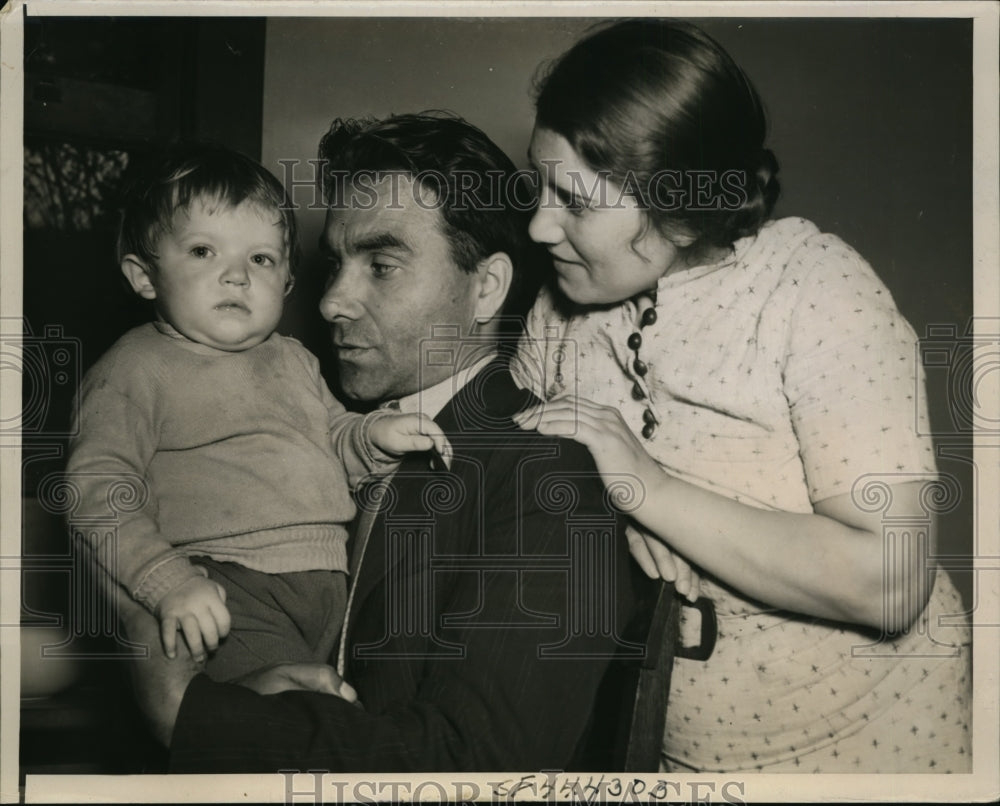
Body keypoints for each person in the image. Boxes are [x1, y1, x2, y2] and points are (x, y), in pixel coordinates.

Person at [117, 113, 654, 772]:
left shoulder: (546, 477)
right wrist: (258, 704)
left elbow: (480, 768)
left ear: (485, 288)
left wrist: (196, 717)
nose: (331, 302)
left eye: (382, 264)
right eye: (336, 263)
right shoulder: (316, 438)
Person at [512, 19, 971, 773]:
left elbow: (890, 580)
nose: (538, 225)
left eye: (575, 201)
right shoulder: (557, 312)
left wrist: (648, 487)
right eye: (539, 185)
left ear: (683, 209)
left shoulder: (813, 287)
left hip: (876, 746)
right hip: (682, 748)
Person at [68, 144, 450, 683]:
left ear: (287, 282)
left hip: (329, 592)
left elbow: (332, 436)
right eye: (203, 251)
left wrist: (372, 437)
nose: (237, 276)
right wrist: (167, 580)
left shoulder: (293, 358)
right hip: (226, 590)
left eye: (261, 258)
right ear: (143, 275)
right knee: (281, 729)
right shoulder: (134, 367)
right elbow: (97, 487)